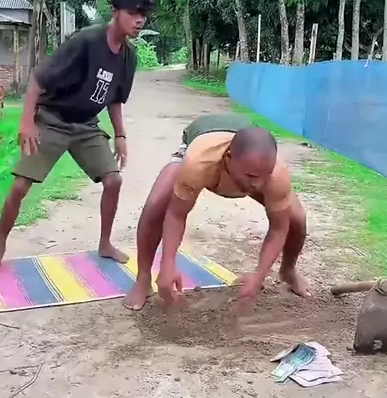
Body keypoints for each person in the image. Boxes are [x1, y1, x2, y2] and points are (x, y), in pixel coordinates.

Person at [0, 0, 155, 276]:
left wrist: (121, 135)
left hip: (86, 126)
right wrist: (26, 122)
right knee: (20, 186)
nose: (140, 20)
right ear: (115, 11)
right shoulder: (86, 41)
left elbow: (115, 100)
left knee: (113, 180)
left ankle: (105, 244)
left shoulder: (128, 57)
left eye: (144, 15)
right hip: (52, 120)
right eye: (133, 13)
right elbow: (38, 79)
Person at [124, 113, 309, 311]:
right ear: (228, 159)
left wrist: (259, 276)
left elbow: (279, 228)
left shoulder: (275, 176)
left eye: (265, 176)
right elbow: (176, 214)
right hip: (203, 137)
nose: (258, 185)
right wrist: (167, 264)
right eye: (251, 176)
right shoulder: (198, 163)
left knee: (296, 218)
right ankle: (143, 278)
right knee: (156, 203)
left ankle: (288, 270)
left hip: (241, 139)